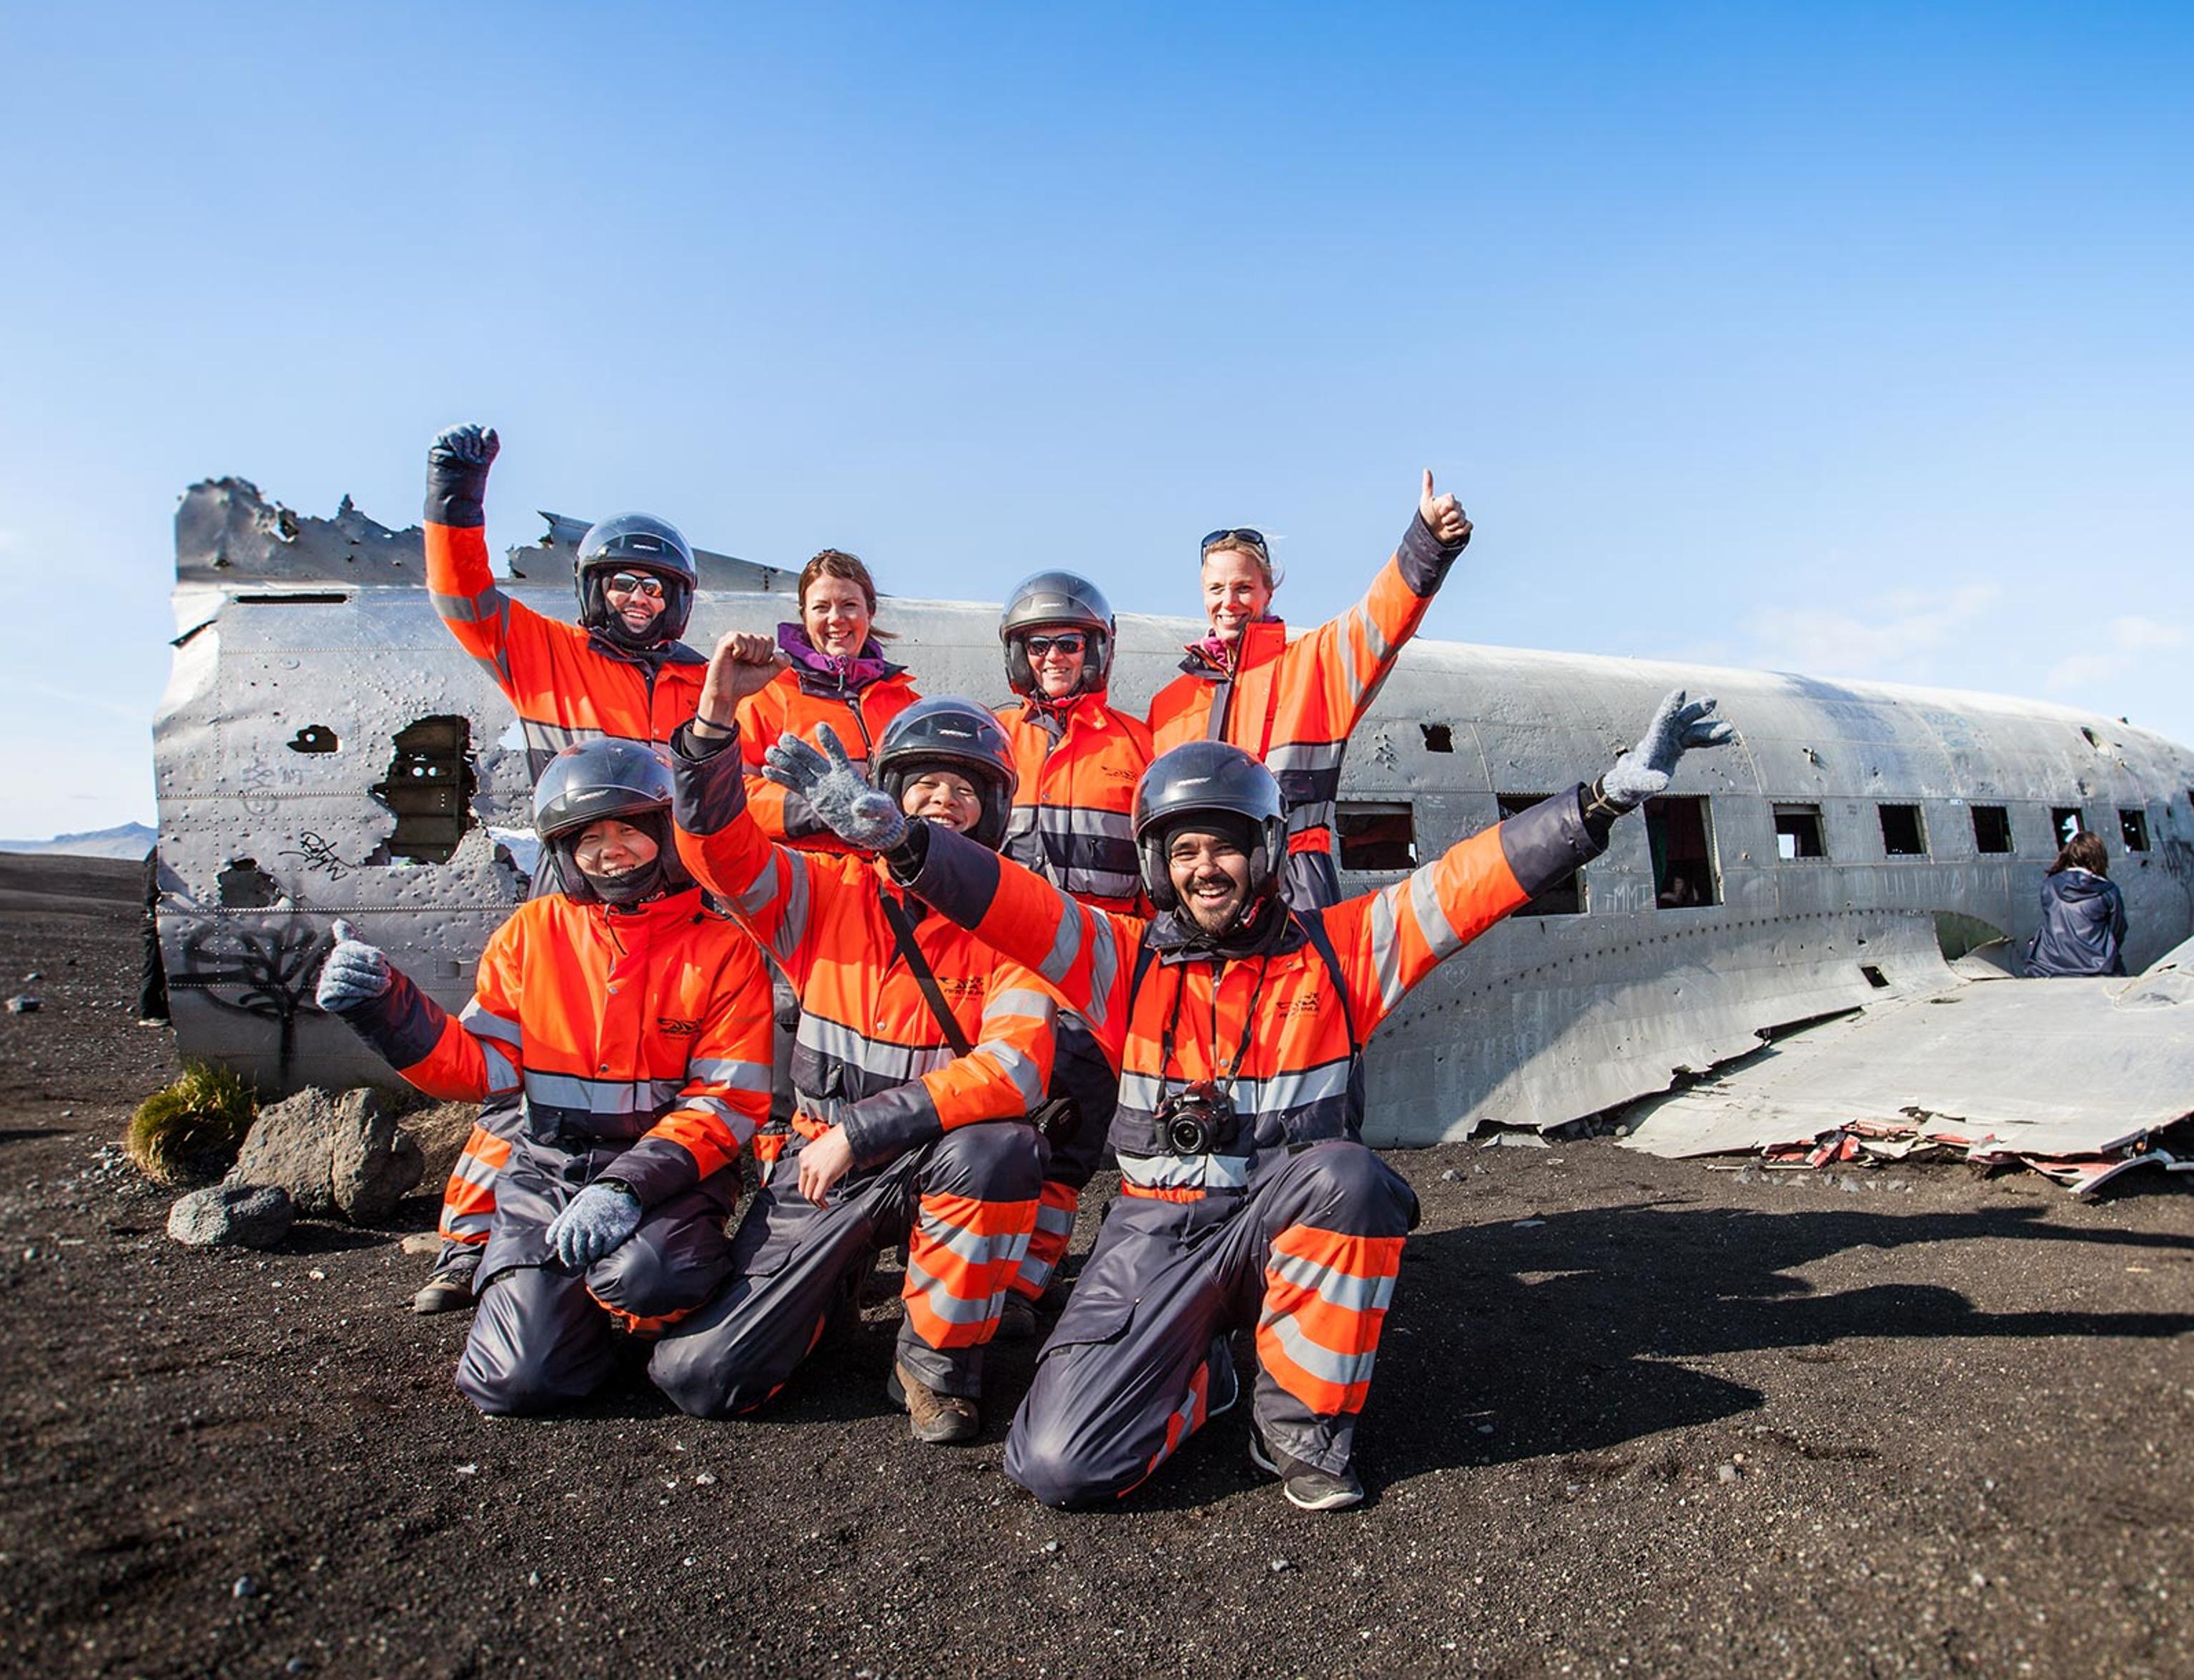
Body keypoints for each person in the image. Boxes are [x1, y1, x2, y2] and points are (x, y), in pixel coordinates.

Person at [767, 686, 1736, 1511]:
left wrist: (1602, 799)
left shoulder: (1344, 949)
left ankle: (1301, 1427)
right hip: (1159, 1230)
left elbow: (1471, 879)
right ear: (1157, 864)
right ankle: (1206, 1373)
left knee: (1351, 1179)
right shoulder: (1119, 960)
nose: (1205, 868)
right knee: (1058, 1464)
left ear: (1265, 852)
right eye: (1183, 850)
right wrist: (899, 838)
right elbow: (1004, 897)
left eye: (1225, 846)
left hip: (1279, 1221)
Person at [652, 642, 1057, 1442]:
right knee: (704, 1378)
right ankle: (825, 1294)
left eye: (964, 791)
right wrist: (712, 725)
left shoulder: (1016, 916)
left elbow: (1016, 1070)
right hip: (816, 1168)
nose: (943, 801)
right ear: (888, 797)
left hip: (919, 1162)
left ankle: (933, 1364)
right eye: (925, 786)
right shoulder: (822, 894)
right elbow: (717, 857)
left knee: (1002, 1149)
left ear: (996, 809)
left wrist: (861, 1130)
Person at [312, 739, 773, 1417]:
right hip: (548, 1170)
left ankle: (649, 1309)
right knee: (518, 1384)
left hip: (670, 1174)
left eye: (628, 829)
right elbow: (480, 1067)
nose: (610, 850)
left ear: (663, 833)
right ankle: (568, 1313)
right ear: (562, 853)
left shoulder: (723, 946)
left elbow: (728, 1098)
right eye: (587, 837)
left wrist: (625, 1186)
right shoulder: (530, 935)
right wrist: (385, 1005)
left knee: (654, 1276)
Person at [410, 422, 719, 1315]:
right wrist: (455, 499)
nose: (639, 597)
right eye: (622, 580)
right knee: (526, 1072)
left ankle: (650, 1217)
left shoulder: (706, 686)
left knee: (667, 1075)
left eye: (657, 585)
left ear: (680, 599)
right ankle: (467, 1244)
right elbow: (462, 596)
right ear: (593, 589)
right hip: (568, 898)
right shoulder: (546, 653)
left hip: (677, 905)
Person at [1148, 475, 1472, 911]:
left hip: (1294, 892)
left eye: (1244, 588)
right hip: (1205, 897)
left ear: (1268, 589)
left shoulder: (1314, 666)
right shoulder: (1171, 704)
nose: (1230, 602)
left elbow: (1379, 621)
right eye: (1216, 589)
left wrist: (1427, 542)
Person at [990, 572, 1154, 1337]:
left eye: (1069, 643)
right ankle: (976, 1273)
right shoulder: (990, 737)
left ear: (1097, 650)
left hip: (1098, 977)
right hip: (999, 979)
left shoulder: (1138, 746)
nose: (1054, 657)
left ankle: (1028, 1281)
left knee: (1076, 1132)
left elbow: (1162, 872)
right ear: (1018, 656)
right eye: (1038, 645)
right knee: (996, 1126)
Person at [729, 549, 922, 853]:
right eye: (821, 607)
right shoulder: (768, 695)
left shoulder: (908, 706)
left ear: (870, 613)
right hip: (805, 879)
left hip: (892, 879)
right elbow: (730, 796)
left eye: (849, 605)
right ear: (804, 616)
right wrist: (820, 808)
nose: (836, 619)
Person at [2026, 831, 2130, 977]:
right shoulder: (2109, 890)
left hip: (2048, 967)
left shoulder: (2049, 886)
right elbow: (2118, 930)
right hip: (2096, 968)